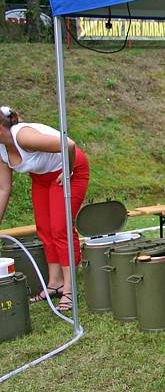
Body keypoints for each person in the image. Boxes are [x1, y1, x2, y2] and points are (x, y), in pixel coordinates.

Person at [0, 106, 89, 312]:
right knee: (44, 229)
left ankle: (69, 288)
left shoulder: (24, 136)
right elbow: (4, 188)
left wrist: (68, 170)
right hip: (42, 178)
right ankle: (55, 283)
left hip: (71, 167)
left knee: (60, 228)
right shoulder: (2, 149)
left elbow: (68, 144)